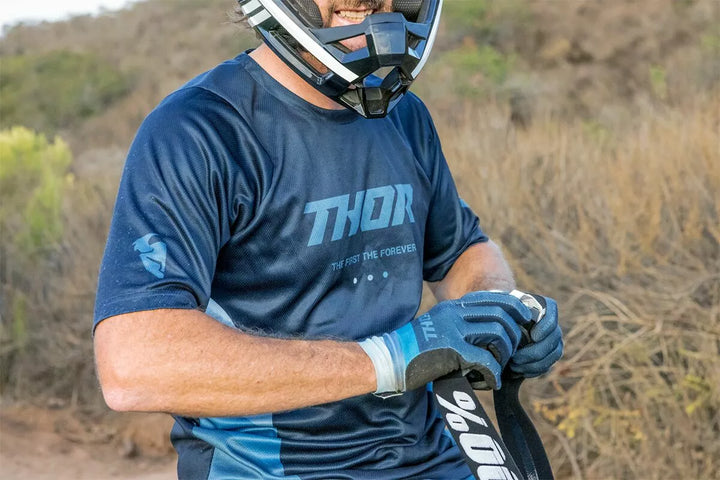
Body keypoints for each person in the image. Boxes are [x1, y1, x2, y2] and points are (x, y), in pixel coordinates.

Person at [93, 0, 564, 478]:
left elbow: (460, 252)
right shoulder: (199, 129)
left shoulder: (403, 115)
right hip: (273, 466)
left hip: (429, 452)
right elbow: (134, 363)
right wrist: (388, 358)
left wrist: (498, 310)